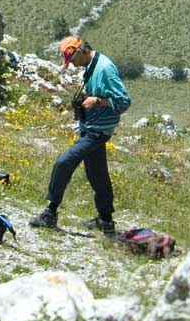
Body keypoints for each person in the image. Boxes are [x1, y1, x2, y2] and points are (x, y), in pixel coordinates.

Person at [29, 36, 132, 234]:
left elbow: (124, 101)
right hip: (91, 127)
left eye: (72, 60)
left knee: (64, 162)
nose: (73, 65)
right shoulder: (91, 66)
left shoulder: (104, 68)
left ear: (79, 51)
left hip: (98, 130)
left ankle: (50, 213)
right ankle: (106, 221)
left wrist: (97, 101)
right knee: (97, 174)